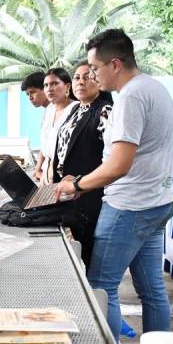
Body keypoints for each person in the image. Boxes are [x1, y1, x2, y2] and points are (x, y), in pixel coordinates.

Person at [54, 29, 173, 344]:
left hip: (130, 205)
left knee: (101, 286)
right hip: (158, 201)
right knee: (153, 290)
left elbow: (119, 164)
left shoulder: (129, 97)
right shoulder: (154, 87)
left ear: (115, 63)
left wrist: (76, 185)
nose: (91, 76)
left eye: (94, 69)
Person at [51, 61, 113, 267]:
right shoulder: (77, 108)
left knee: (87, 254)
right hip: (69, 191)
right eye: (77, 77)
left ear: (100, 81)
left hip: (89, 194)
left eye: (88, 76)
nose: (81, 81)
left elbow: (111, 157)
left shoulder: (104, 111)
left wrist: (82, 183)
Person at [35, 69, 77, 184]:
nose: (49, 88)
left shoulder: (77, 109)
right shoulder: (49, 110)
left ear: (68, 86)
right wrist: (39, 169)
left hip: (66, 176)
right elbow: (45, 146)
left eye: (54, 83)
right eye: (46, 85)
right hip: (46, 173)